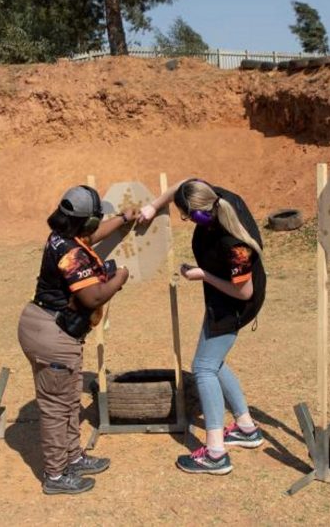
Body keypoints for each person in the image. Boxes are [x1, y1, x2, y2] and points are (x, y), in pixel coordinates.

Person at [138, 178, 266, 475]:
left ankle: (215, 453)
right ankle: (246, 428)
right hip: (225, 297)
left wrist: (203, 275)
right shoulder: (214, 195)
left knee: (204, 368)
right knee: (213, 361)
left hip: (235, 303)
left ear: (198, 214)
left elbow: (243, 292)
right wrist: (153, 205)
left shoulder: (232, 244)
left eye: (187, 216)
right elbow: (183, 184)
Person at [18, 185, 134, 494]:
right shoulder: (70, 252)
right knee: (57, 408)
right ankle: (56, 476)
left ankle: (73, 457)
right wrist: (119, 278)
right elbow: (92, 297)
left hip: (52, 328)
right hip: (52, 333)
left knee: (69, 400)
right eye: (96, 219)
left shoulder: (64, 237)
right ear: (84, 221)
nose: (97, 225)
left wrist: (122, 218)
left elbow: (92, 238)